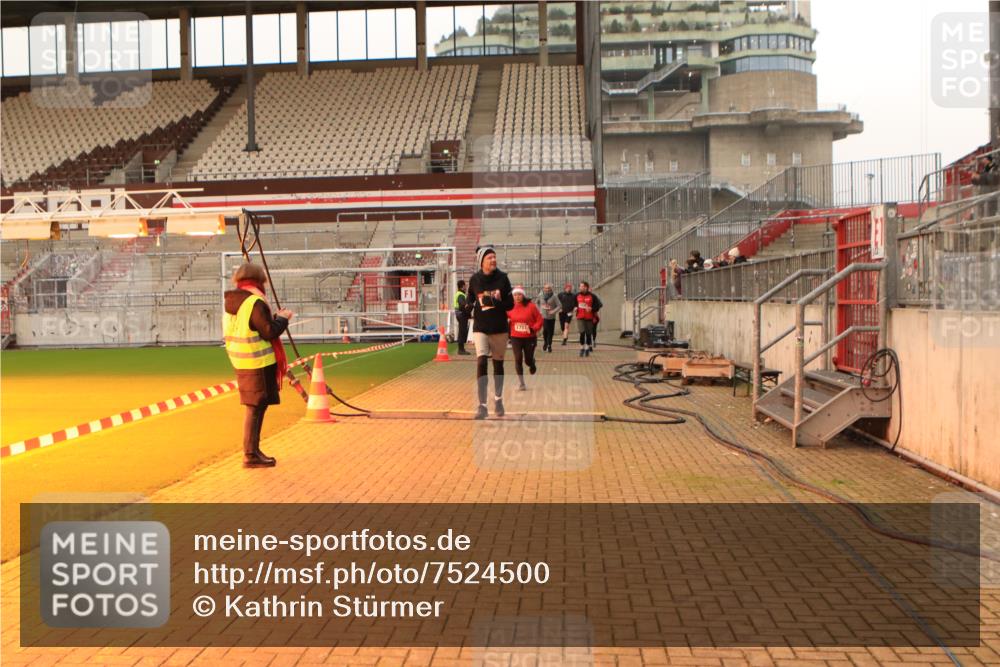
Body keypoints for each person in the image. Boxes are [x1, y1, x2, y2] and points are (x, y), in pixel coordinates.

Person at [222, 263, 293, 468]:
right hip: (258, 363)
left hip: (242, 361)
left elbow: (254, 327)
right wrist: (283, 319)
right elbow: (269, 331)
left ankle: (253, 451)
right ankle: (251, 454)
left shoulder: (233, 302)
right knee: (255, 409)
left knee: (255, 407)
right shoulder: (254, 301)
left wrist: (274, 319)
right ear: (260, 280)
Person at [468, 246, 514, 419]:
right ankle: (482, 406)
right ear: (482, 261)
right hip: (480, 327)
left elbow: (510, 304)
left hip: (499, 328)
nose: (493, 260)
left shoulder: (503, 279)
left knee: (498, 365)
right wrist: (466, 306)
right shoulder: (475, 279)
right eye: (490, 258)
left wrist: (496, 301)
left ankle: (498, 400)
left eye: (494, 257)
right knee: (481, 362)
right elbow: (470, 298)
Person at [509, 285, 543, 390]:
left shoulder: (531, 306)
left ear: (523, 295)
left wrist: (534, 328)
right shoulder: (509, 307)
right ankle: (522, 383)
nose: (517, 297)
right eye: (515, 295)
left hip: (529, 337)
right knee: (518, 358)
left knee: (527, 360)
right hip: (515, 337)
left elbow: (540, 319)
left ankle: (532, 364)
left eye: (519, 294)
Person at [574, 281, 602, 357]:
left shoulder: (592, 296)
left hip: (589, 317)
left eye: (581, 286)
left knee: (588, 334)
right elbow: (574, 304)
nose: (580, 288)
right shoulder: (576, 295)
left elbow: (598, 306)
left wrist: (591, 309)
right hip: (580, 317)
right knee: (582, 332)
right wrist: (575, 308)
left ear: (586, 287)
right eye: (580, 286)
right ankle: (582, 347)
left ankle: (587, 348)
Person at [536, 283, 560, 352]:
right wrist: (539, 310)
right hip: (543, 316)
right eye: (546, 288)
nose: (547, 289)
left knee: (550, 331)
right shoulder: (540, 295)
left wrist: (553, 311)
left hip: (551, 317)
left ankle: (549, 345)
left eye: (549, 288)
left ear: (551, 289)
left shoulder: (554, 296)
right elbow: (536, 302)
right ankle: (545, 342)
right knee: (545, 330)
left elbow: (559, 305)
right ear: (544, 288)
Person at [454, 279, 471, 355]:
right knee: (462, 331)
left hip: (459, 314)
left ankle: (461, 349)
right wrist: (469, 306)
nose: (466, 287)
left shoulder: (459, 293)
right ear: (462, 286)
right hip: (462, 315)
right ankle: (461, 350)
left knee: (462, 331)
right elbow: (463, 305)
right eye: (465, 285)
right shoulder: (461, 295)